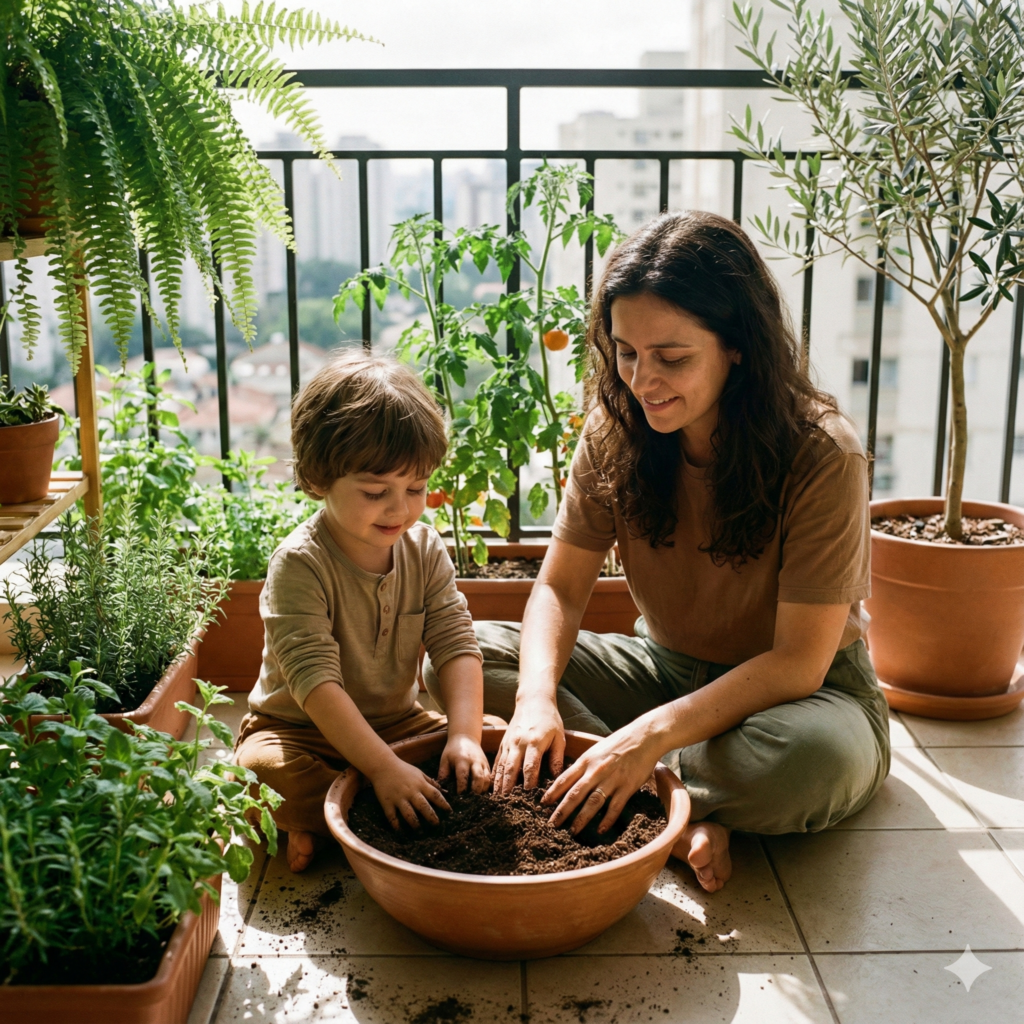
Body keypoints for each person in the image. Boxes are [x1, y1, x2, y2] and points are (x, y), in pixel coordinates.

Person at [427, 211, 890, 893]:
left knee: (805, 763)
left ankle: (629, 791)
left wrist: (645, 739)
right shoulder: (615, 431)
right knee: (466, 662)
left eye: (672, 358)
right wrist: (535, 700)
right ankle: (671, 808)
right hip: (666, 669)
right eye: (626, 352)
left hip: (806, 699)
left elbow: (798, 661)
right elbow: (559, 588)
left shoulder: (823, 453)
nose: (643, 381)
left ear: (738, 345)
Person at [235, 351, 494, 873]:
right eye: (376, 492)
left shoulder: (425, 549)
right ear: (319, 478)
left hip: (399, 725)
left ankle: (338, 823)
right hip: (298, 732)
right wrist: (382, 769)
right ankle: (378, 813)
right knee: (263, 773)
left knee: (492, 733)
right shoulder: (299, 564)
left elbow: (455, 643)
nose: (400, 508)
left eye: (416, 488)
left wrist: (465, 736)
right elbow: (316, 684)